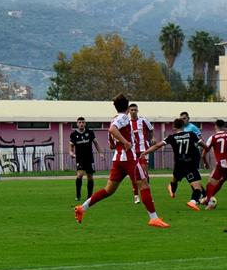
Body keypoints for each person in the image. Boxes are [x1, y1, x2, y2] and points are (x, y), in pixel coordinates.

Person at [74, 94, 169, 228]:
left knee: (108, 190)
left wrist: (120, 142)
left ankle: (82, 208)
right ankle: (154, 218)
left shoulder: (114, 118)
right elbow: (112, 129)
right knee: (144, 185)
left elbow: (111, 144)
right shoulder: (123, 118)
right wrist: (126, 142)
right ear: (127, 107)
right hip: (129, 159)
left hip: (118, 159)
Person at [149, 110, 206, 211]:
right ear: (183, 125)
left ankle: (172, 189)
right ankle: (194, 201)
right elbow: (202, 143)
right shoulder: (191, 134)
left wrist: (146, 152)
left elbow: (157, 145)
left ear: (174, 127)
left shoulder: (171, 137)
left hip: (178, 164)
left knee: (175, 179)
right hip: (189, 163)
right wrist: (208, 148)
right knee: (197, 186)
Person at [126, 102, 152, 204]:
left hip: (143, 149)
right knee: (134, 173)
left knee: (145, 173)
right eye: (131, 110)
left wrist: (151, 139)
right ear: (129, 111)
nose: (133, 112)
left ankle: (147, 194)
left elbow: (151, 130)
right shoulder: (126, 122)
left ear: (137, 110)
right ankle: (136, 195)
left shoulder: (143, 120)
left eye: (135, 110)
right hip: (132, 150)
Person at [69, 116, 100, 203]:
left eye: (83, 122)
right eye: (80, 122)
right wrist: (71, 153)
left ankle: (89, 196)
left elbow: (96, 143)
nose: (81, 124)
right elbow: (71, 147)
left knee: (90, 177)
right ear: (77, 124)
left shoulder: (90, 132)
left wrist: (100, 153)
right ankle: (78, 195)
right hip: (80, 158)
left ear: (85, 123)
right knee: (80, 175)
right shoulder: (73, 134)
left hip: (89, 158)